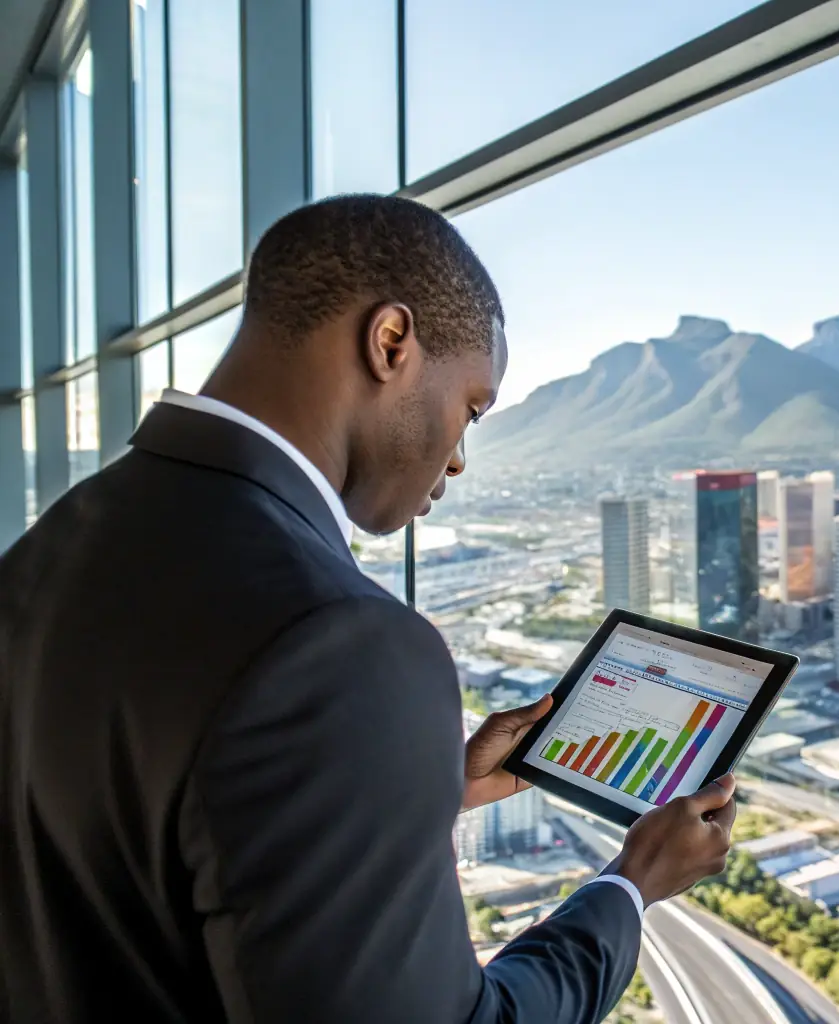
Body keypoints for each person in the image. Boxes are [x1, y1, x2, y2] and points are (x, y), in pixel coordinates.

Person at [0, 195, 736, 1023]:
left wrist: (417, 790)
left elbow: (139, 824)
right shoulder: (342, 643)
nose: (458, 459)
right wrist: (630, 885)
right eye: (471, 409)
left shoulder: (57, 543)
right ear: (390, 343)